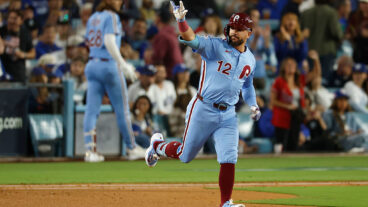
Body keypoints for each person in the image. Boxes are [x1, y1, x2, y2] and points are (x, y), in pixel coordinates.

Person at [145, 2, 261, 207]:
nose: (234, 32)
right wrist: (181, 20)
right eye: (232, 27)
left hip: (228, 115)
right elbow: (191, 38)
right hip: (203, 108)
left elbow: (248, 86)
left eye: (239, 29)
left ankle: (226, 203)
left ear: (249, 33)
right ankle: (156, 145)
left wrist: (253, 105)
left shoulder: (250, 59)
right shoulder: (215, 46)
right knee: (185, 156)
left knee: (229, 157)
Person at [83, 0, 144, 162]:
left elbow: (88, 42)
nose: (120, 2)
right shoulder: (112, 17)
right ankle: (131, 148)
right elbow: (109, 41)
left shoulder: (93, 17)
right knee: (122, 110)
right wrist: (123, 64)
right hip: (109, 65)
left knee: (91, 110)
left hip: (92, 63)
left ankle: (90, 152)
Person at [301, 0, 343, 81]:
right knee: (324, 80)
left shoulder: (306, 13)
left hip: (309, 51)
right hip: (326, 52)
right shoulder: (331, 13)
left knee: (310, 80)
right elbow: (337, 33)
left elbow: (300, 32)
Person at [270, 57, 306, 153]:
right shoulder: (279, 81)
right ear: (283, 68)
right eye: (288, 64)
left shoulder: (299, 82)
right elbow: (273, 101)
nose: (291, 66)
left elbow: (315, 76)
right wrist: (287, 106)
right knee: (281, 144)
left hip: (295, 118)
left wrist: (316, 61)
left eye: (293, 64)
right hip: (282, 117)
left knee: (294, 144)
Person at [0, 10, 35, 83]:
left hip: (18, 73)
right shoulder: (1, 31)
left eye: (14, 18)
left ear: (21, 21)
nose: (11, 21)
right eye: (9, 18)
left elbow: (33, 53)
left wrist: (23, 54)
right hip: (3, 73)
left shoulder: (25, 33)